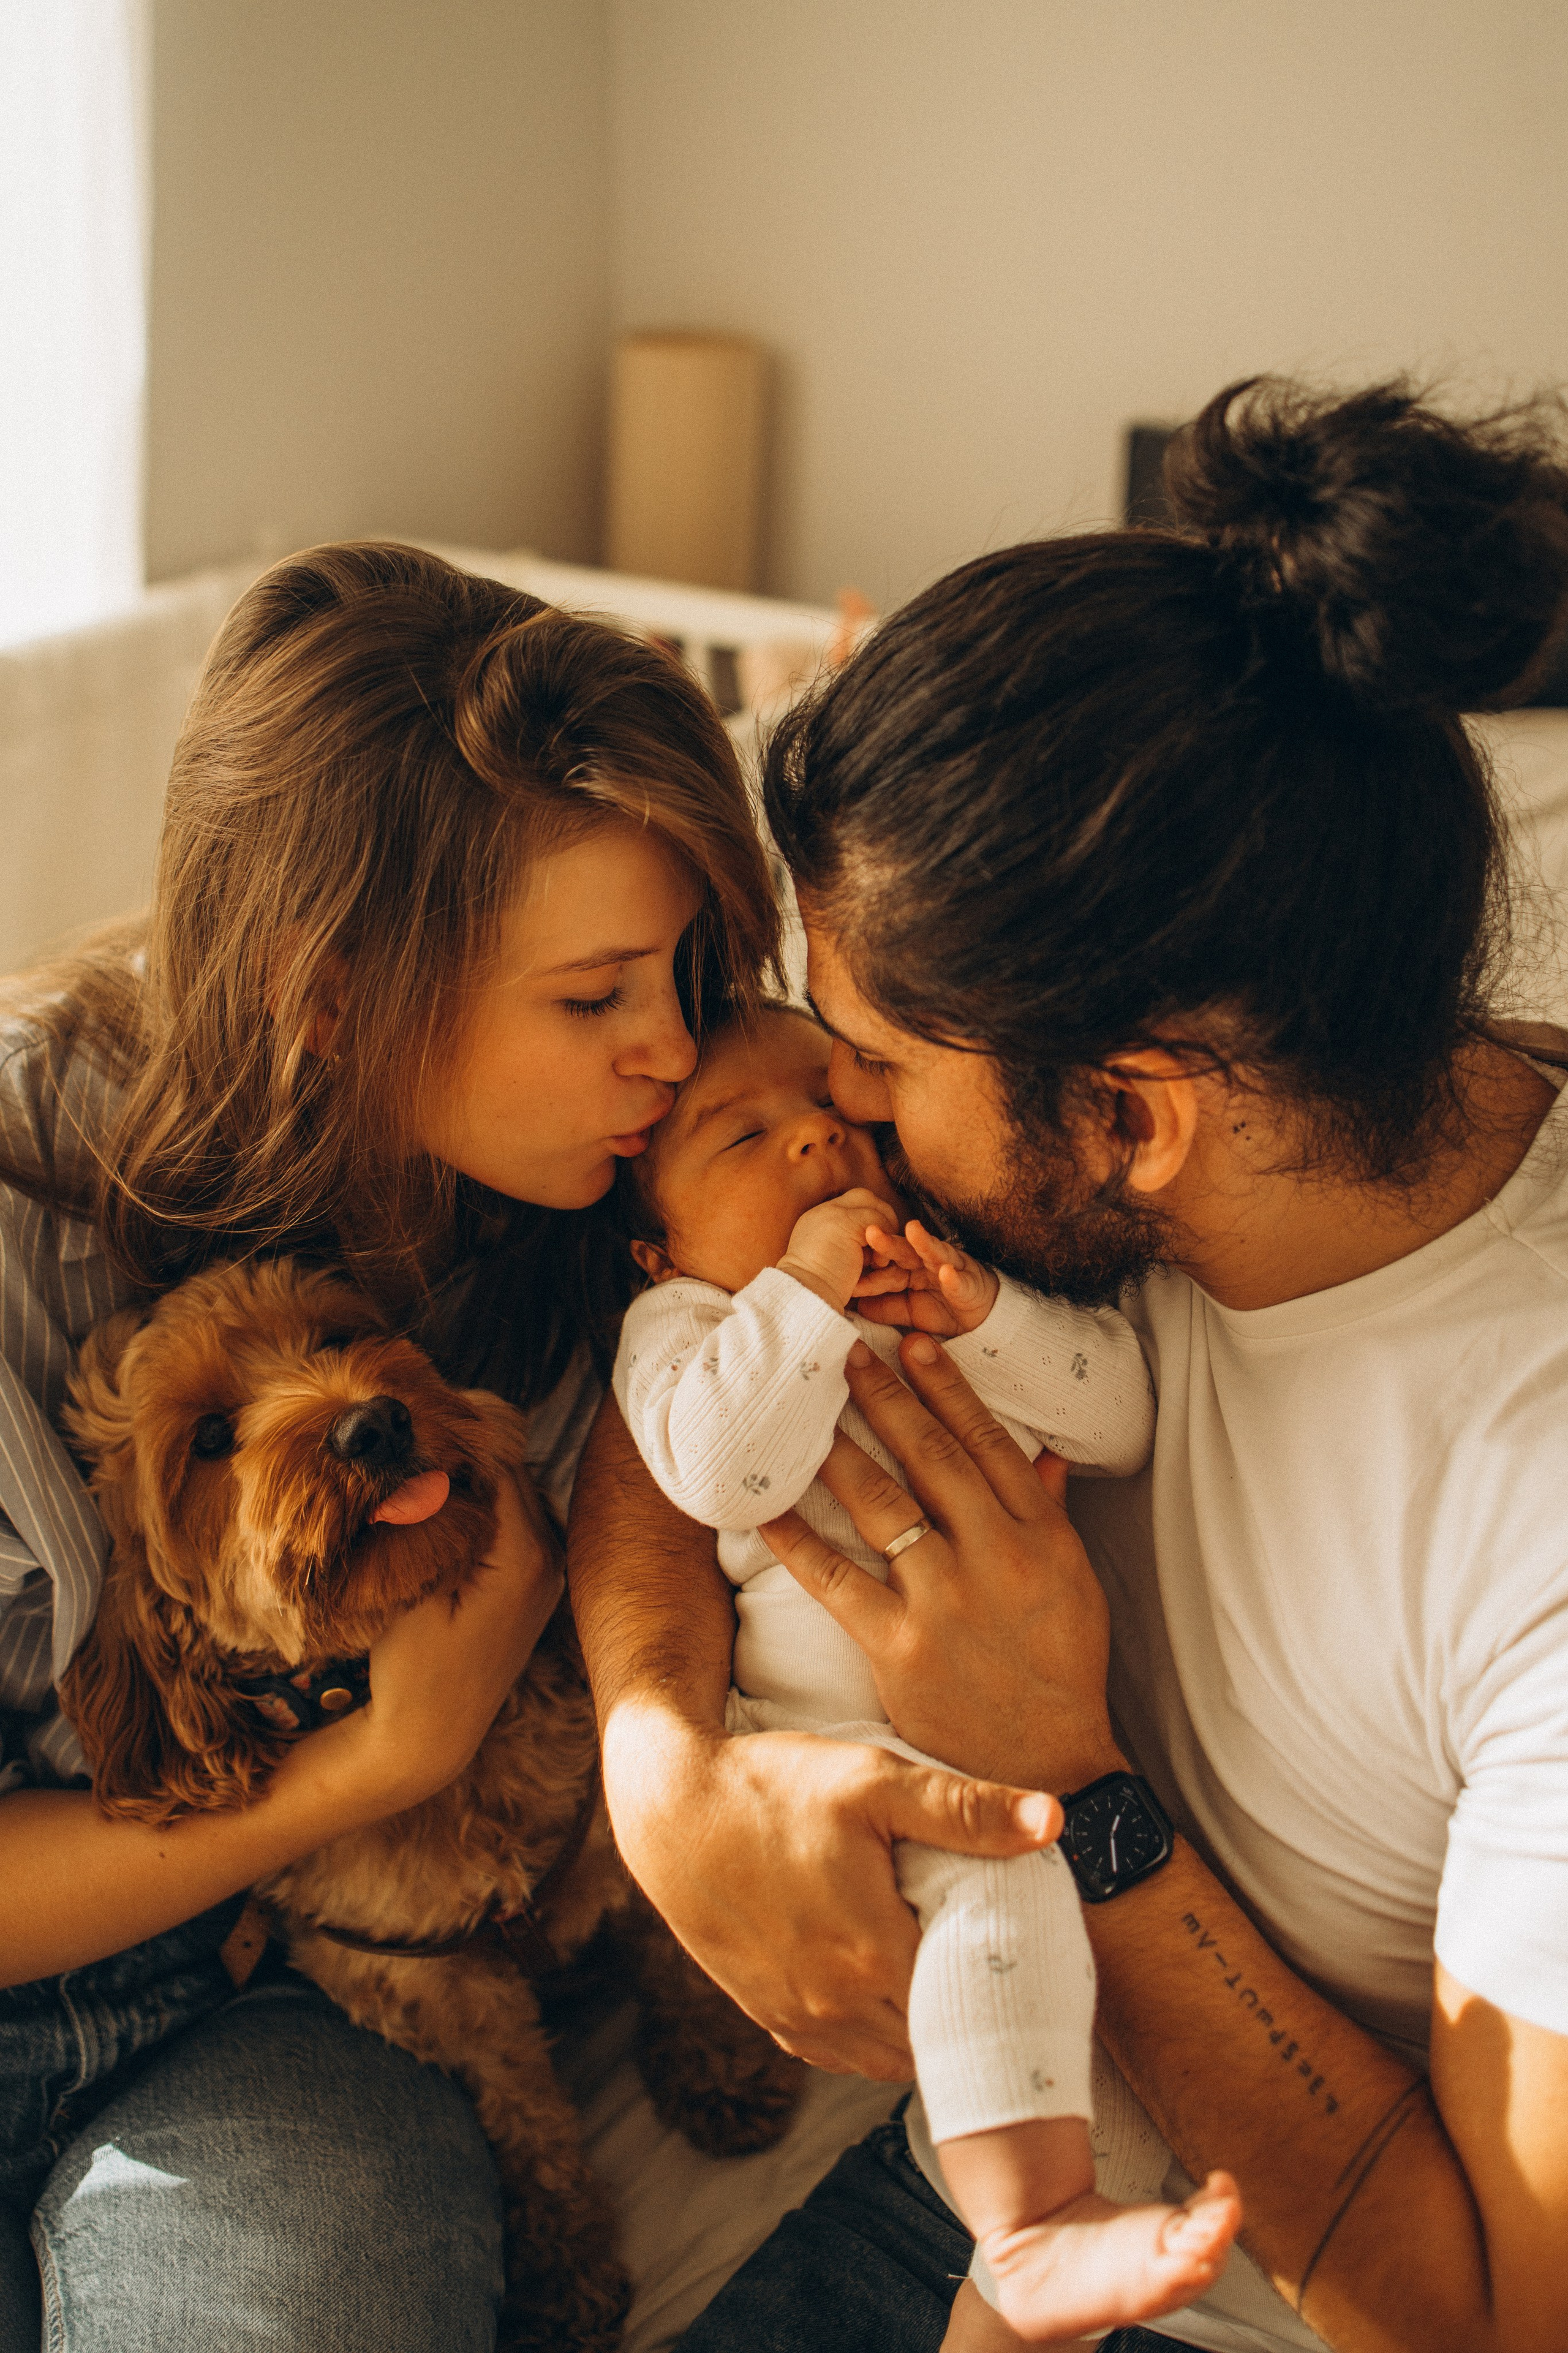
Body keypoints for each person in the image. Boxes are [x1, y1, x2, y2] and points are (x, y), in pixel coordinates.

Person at [567, 379, 1568, 2353]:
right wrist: (657, 1749)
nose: (820, 1119)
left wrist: (1075, 1788)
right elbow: (691, 1349)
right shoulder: (1144, 1121)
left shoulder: (1524, 1515)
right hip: (950, 2149)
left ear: (1126, 1115)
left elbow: (1482, 2326)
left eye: (871, 1069)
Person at [0, 541, 780, 2351]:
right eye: (592, 1001)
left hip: (294, 2011)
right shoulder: (27, 1195)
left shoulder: (608, 1200)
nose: (672, 1046)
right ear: (330, 995)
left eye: (679, 968)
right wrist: (375, 1765)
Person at [612, 1000, 1234, 2344]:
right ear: (655, 1244)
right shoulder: (685, 1330)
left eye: (829, 1112)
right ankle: (1028, 2231)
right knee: (1004, 1906)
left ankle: (1023, 2274)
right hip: (856, 1778)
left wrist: (987, 1316)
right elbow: (727, 1471)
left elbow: (1116, 1416)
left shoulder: (942, 1278)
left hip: (1028, 1745)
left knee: (1109, 2054)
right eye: (744, 1136)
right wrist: (802, 1290)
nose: (815, 1137)